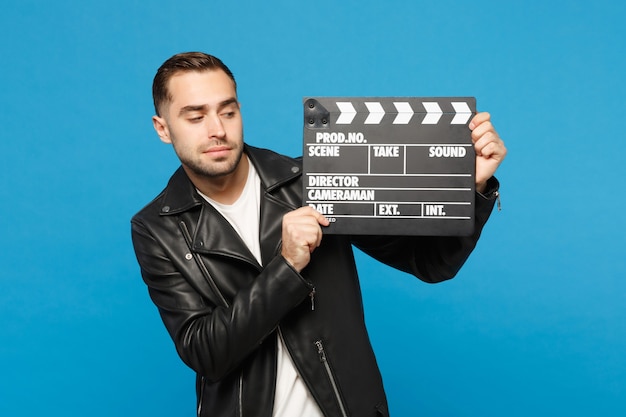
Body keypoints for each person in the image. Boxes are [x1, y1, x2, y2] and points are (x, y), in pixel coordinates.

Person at [131, 52, 507, 417]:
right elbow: (206, 353)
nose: (218, 130)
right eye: (195, 117)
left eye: (228, 111)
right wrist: (287, 265)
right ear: (162, 128)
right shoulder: (158, 229)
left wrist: (469, 188)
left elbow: (429, 263)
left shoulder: (313, 183)